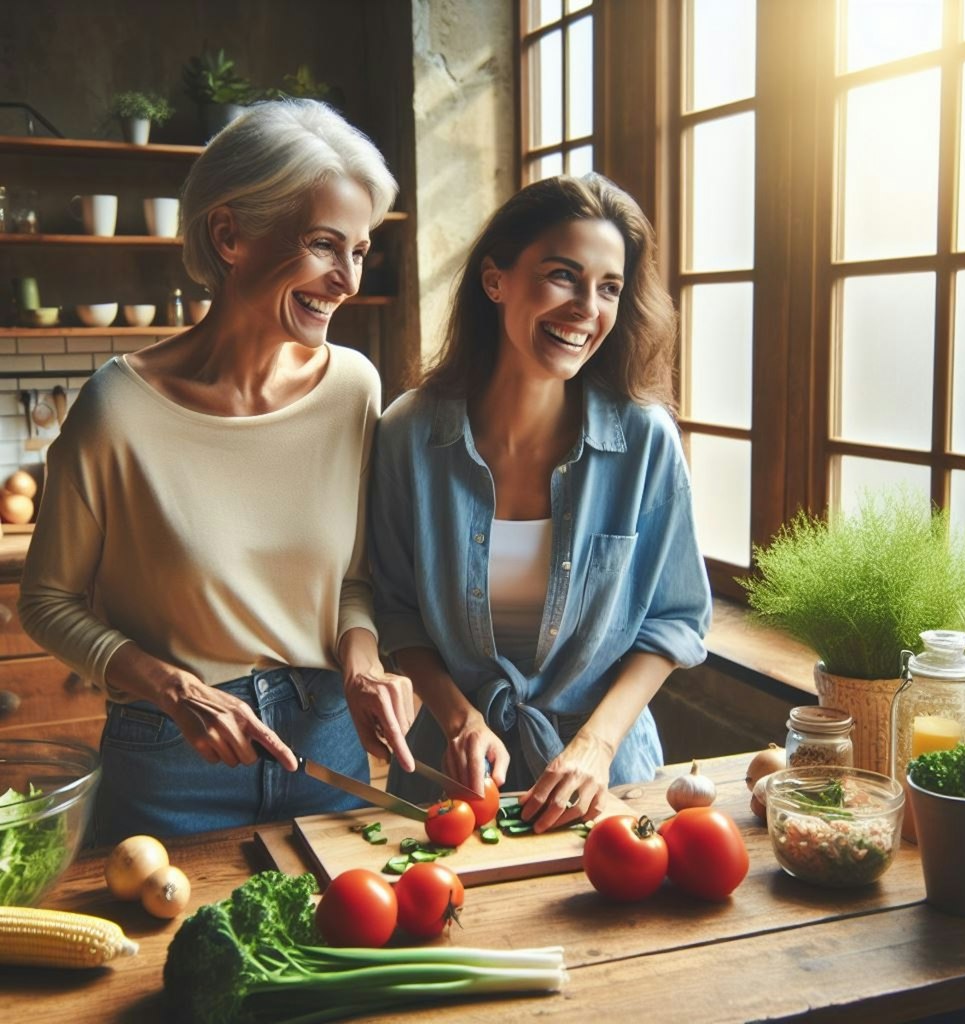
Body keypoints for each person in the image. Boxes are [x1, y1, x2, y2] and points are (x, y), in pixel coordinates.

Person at [18, 99, 415, 844]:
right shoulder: (117, 407)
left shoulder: (354, 389)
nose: (347, 280)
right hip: (171, 761)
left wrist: (364, 667)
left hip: (326, 743)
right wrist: (173, 689)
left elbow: (355, 580)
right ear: (229, 234)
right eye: (325, 245)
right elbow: (48, 601)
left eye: (359, 251)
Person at [370, 172, 712, 833]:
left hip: (607, 786)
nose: (588, 306)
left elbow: (675, 620)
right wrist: (459, 717)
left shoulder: (646, 441)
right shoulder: (407, 435)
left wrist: (596, 744)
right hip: (450, 782)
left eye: (608, 288)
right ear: (495, 281)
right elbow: (395, 609)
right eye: (563, 275)